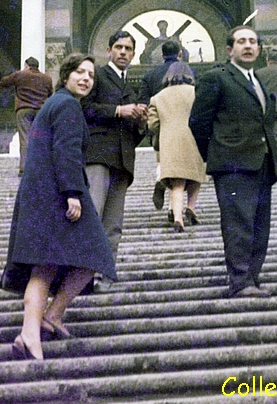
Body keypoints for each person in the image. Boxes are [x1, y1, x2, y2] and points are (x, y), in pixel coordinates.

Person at [0, 53, 116, 361]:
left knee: (47, 263)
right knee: (93, 253)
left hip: (42, 192)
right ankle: (36, 326)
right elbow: (65, 150)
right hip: (56, 192)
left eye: (90, 75)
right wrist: (72, 193)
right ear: (65, 75)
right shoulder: (66, 105)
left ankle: (44, 321)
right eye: (79, 72)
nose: (86, 78)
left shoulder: (59, 103)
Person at [189, 25, 277, 298]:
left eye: (253, 41)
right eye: (241, 41)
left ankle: (252, 277)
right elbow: (198, 121)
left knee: (259, 226)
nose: (248, 46)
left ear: (260, 49)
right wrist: (218, 154)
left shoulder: (259, 81)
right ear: (230, 49)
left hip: (262, 163)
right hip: (231, 165)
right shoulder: (216, 78)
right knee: (238, 224)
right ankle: (240, 281)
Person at [83, 30, 148, 292]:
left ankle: (105, 273)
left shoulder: (129, 85)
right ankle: (81, 275)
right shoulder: (96, 75)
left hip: (122, 160)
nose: (123, 52)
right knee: (92, 215)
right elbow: (83, 107)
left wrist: (141, 123)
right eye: (118, 47)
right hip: (98, 155)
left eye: (128, 49)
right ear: (109, 50)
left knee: (113, 224)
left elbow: (132, 132)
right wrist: (118, 110)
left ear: (133, 54)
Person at [148, 61, 206, 232]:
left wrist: (165, 130)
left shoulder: (157, 98)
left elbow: (152, 125)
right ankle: (191, 207)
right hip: (194, 139)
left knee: (177, 183)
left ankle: (178, 219)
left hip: (170, 143)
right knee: (196, 176)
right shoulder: (197, 93)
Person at [139, 40, 193, 212]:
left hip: (161, 126)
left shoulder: (150, 75)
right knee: (181, 168)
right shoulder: (189, 73)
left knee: (166, 161)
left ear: (161, 55)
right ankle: (172, 209)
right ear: (180, 54)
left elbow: (144, 103)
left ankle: (160, 181)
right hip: (184, 128)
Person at [0, 57, 54, 175]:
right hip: (41, 110)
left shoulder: (20, 75)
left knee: (25, 138)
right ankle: (42, 167)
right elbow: (50, 93)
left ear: (26, 65)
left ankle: (24, 168)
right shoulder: (47, 78)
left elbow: (4, 81)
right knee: (41, 138)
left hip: (23, 109)